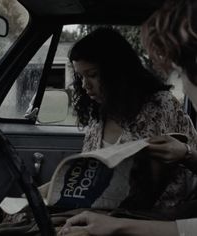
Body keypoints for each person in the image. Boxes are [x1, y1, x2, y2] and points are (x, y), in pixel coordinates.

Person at [59, 1, 197, 235]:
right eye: (80, 77)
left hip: (154, 216)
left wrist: (112, 224)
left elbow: (149, 193)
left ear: (116, 74)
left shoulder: (159, 104)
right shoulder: (98, 115)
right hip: (110, 213)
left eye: (92, 75)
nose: (84, 85)